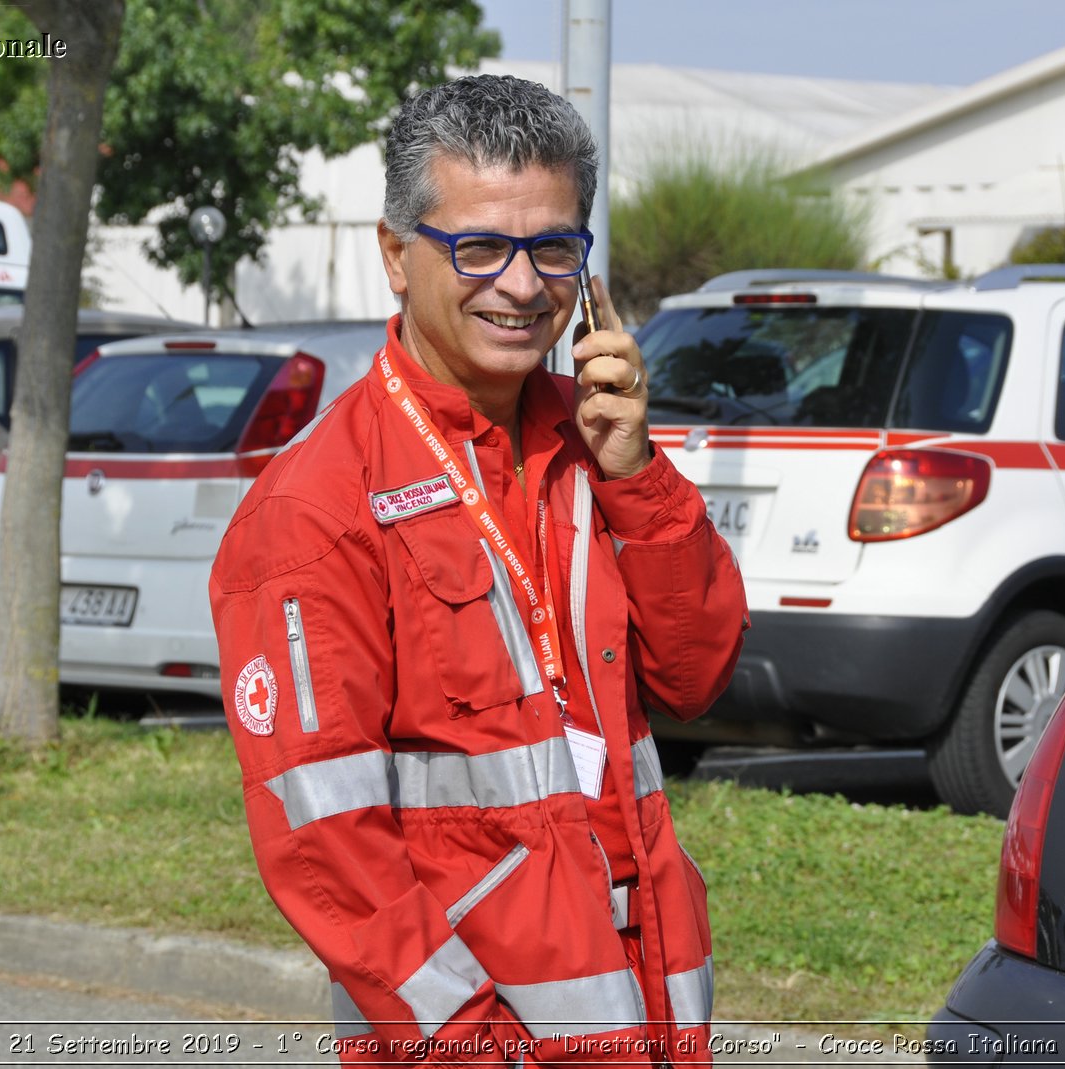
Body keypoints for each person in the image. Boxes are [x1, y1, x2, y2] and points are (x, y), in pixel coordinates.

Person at [209, 75, 748, 1066]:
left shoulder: (593, 449)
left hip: (649, 1013)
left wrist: (635, 475)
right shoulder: (316, 508)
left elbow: (694, 675)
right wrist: (473, 1044)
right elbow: (325, 843)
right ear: (393, 256)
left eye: (551, 248)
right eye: (477, 247)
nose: (517, 283)